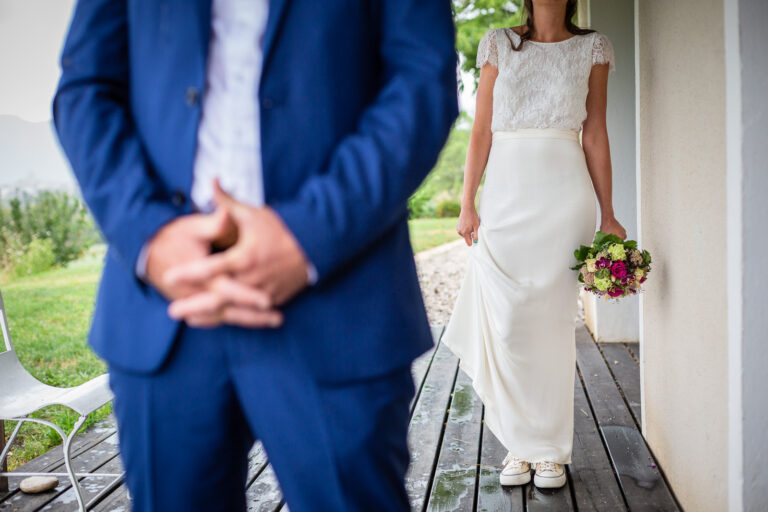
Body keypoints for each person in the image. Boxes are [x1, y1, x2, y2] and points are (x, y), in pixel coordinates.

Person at [52, 0, 458, 510]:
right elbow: (85, 87)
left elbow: (421, 80)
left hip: (339, 299)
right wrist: (149, 236)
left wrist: (309, 232)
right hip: (167, 314)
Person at [440, 0, 626, 490]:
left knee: (549, 324)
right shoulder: (499, 43)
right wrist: (468, 202)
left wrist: (607, 213)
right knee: (509, 321)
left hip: (565, 195)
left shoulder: (594, 47)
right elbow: (480, 129)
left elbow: (595, 133)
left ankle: (546, 452)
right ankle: (517, 444)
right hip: (505, 193)